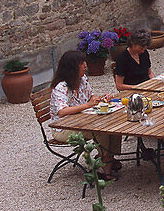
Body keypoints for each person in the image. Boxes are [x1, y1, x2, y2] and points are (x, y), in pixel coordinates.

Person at [50, 50, 123, 178]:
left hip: (82, 121)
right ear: (73, 67)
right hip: (64, 128)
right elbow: (62, 111)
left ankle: (107, 157)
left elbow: (90, 96)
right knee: (100, 130)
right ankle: (104, 166)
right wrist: (88, 105)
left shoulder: (82, 79)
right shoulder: (61, 87)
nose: (85, 65)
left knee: (113, 124)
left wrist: (99, 99)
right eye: (82, 63)